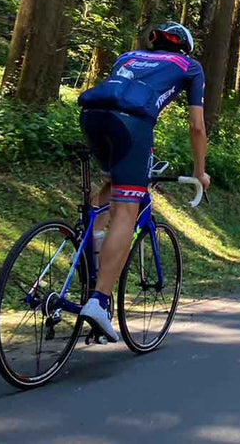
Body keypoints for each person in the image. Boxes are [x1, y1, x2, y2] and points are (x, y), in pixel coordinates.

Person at [76, 22, 210, 342]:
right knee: (127, 210)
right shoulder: (190, 67)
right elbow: (196, 126)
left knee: (112, 184)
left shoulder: (127, 57)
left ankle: (87, 252)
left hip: (92, 115)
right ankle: (99, 300)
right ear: (185, 47)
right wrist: (199, 171)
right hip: (132, 124)